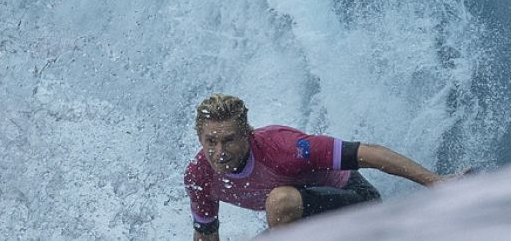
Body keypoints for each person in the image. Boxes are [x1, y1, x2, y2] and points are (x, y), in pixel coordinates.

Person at [184, 94, 464, 239]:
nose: (219, 152)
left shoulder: (283, 147)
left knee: (279, 201)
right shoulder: (199, 176)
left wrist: (436, 182)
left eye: (229, 141)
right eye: (211, 141)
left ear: (247, 134)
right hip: (304, 226)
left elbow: (370, 154)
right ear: (200, 137)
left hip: (358, 206)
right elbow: (206, 234)